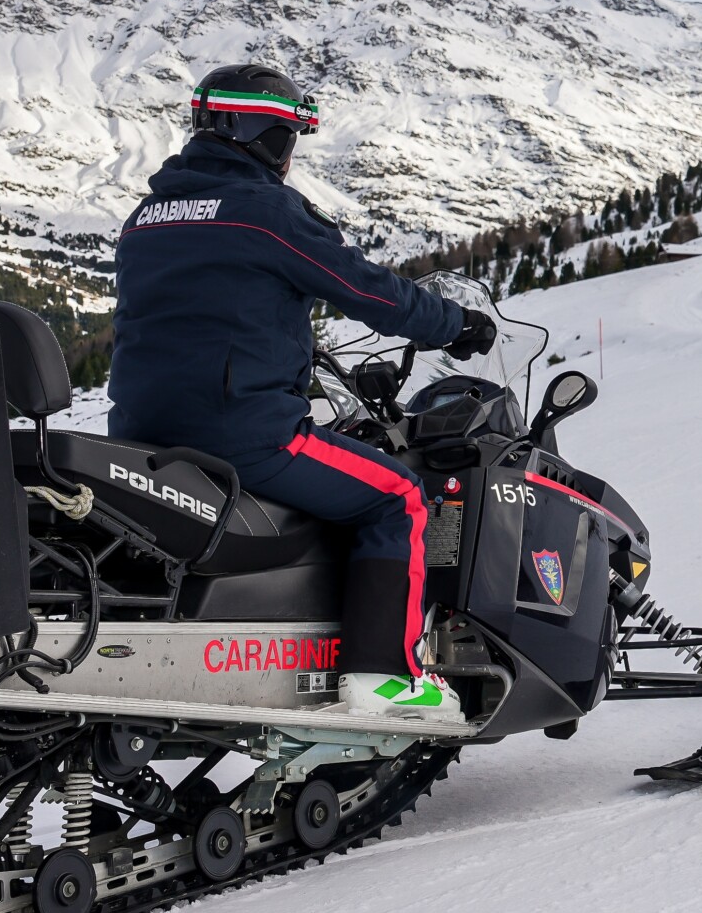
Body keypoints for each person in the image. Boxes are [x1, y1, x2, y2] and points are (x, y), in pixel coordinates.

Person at [107, 65, 495, 722]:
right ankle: (385, 680)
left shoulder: (147, 217)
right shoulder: (265, 213)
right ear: (267, 136)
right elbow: (369, 290)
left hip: (139, 438)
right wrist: (454, 325)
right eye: (289, 136)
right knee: (398, 496)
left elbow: (193, 317)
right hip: (245, 437)